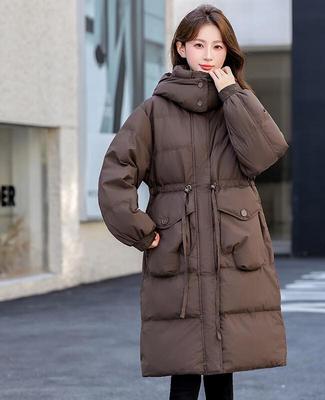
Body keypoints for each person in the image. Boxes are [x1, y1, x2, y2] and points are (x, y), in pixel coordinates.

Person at [98, 4, 289, 400]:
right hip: (178, 255)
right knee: (184, 377)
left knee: (223, 374)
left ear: (228, 52)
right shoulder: (153, 112)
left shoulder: (239, 104)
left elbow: (264, 155)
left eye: (217, 46)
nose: (208, 55)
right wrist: (139, 229)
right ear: (181, 48)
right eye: (199, 45)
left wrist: (232, 95)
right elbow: (116, 174)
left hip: (233, 253)